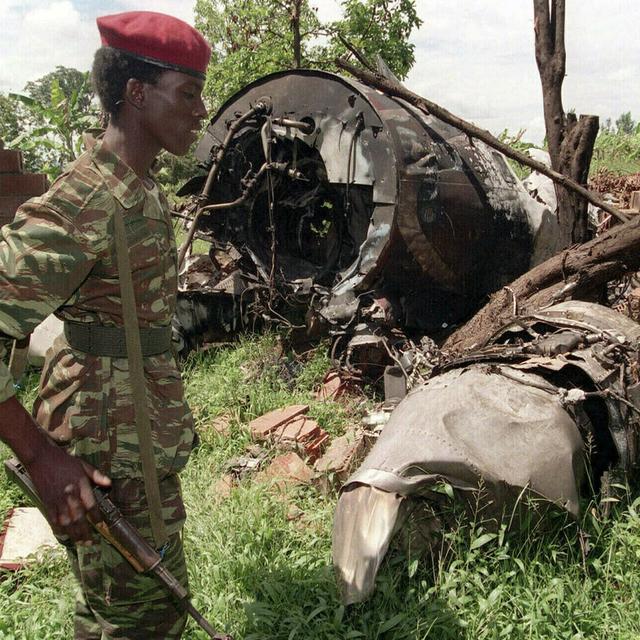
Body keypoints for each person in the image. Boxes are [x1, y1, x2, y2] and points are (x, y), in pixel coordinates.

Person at [0, 11, 210, 639]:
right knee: (145, 619)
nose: (201, 110)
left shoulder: (137, 192)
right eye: (189, 92)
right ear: (137, 95)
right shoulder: (82, 202)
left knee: (118, 612)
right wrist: (38, 455)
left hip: (137, 440)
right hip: (104, 452)